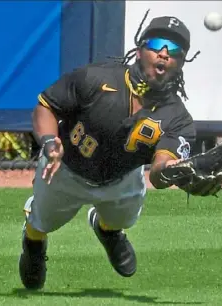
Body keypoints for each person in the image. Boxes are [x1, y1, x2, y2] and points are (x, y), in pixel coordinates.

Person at [19, 12, 201, 290]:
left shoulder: (178, 118)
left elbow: (159, 169)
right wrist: (48, 141)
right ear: (140, 50)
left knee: (122, 219)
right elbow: (46, 106)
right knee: (42, 222)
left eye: (174, 49)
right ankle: (32, 242)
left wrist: (172, 172)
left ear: (181, 62)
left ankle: (107, 230)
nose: (164, 53)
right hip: (65, 168)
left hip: (122, 179)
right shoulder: (95, 78)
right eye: (157, 44)